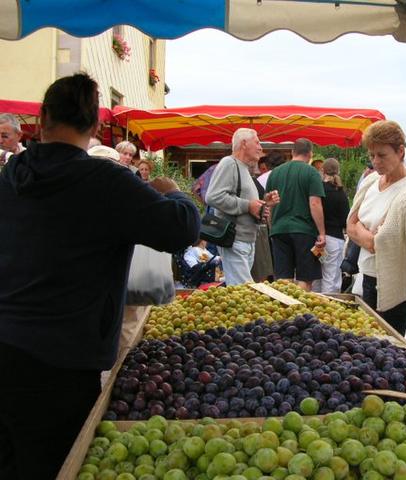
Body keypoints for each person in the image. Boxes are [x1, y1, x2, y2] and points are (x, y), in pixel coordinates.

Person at [0, 73, 200, 479]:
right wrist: (171, 190)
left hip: (6, 339)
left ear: (41, 121)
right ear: (94, 128)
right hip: (62, 359)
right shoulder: (103, 181)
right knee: (56, 464)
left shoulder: (9, 177)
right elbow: (181, 229)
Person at [347, 120, 406, 336]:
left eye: (382, 155)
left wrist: (362, 232)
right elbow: (350, 224)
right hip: (367, 276)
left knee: (387, 351)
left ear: (400, 151)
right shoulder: (371, 182)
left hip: (393, 290)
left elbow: (378, 242)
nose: (375, 162)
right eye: (372, 155)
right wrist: (368, 236)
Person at [206, 128, 279, 286]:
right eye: (257, 142)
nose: (261, 147)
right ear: (244, 143)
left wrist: (263, 203)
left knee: (241, 290)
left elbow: (247, 205)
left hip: (246, 241)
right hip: (235, 241)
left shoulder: (244, 169)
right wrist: (249, 205)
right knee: (243, 290)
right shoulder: (229, 163)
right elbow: (213, 196)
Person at [267, 138, 326, 291]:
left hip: (279, 230)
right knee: (304, 278)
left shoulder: (275, 173)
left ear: (292, 152)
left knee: (283, 279)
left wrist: (272, 227)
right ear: (310, 154)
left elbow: (269, 204)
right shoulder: (311, 172)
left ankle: (284, 310)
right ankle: (302, 312)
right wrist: (322, 233)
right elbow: (315, 203)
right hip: (304, 230)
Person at [313, 157, 350, 293]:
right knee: (331, 276)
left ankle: (314, 305)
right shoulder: (340, 193)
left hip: (317, 239)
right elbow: (345, 220)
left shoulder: (317, 191)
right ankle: (327, 305)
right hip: (334, 239)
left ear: (322, 170)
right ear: (338, 171)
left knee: (317, 276)